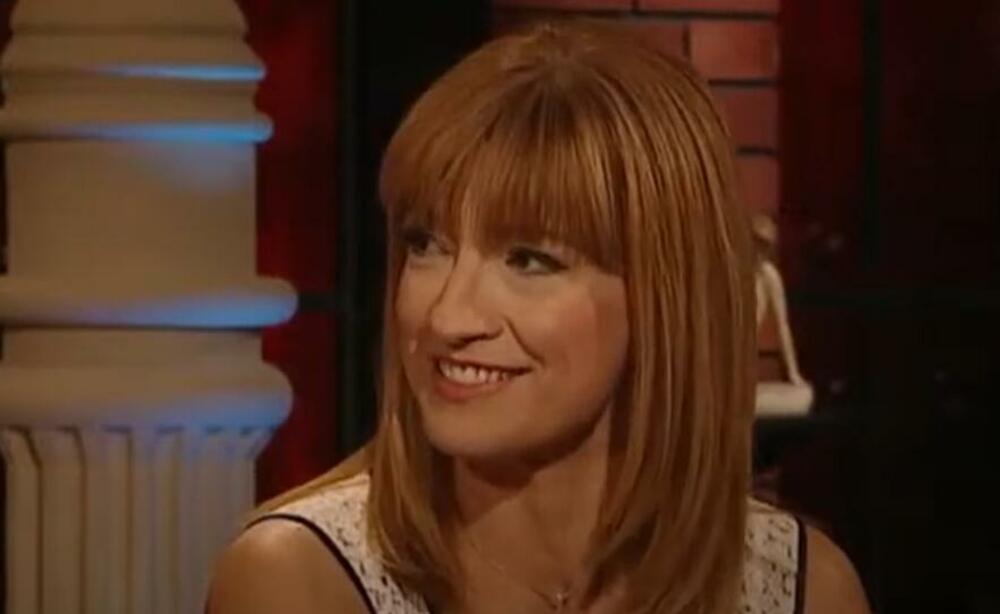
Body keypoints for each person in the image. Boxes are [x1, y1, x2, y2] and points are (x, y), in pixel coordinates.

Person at [207, 20, 870, 614]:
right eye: (426, 244)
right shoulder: (297, 580)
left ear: (663, 300)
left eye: (529, 260)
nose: (447, 317)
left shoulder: (804, 590)